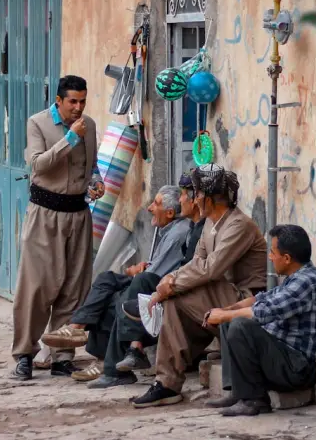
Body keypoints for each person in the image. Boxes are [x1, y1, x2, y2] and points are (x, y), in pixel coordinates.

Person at [128, 164, 267, 408]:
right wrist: (168, 281)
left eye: (196, 194)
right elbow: (196, 263)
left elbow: (212, 268)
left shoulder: (238, 225)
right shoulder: (210, 224)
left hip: (247, 297)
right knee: (173, 299)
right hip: (222, 295)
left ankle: (169, 381)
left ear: (209, 198)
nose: (191, 199)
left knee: (177, 294)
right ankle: (167, 384)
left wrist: (171, 286)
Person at [40, 181, 197, 382]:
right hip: (154, 281)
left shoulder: (178, 232)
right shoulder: (172, 230)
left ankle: (97, 351)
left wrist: (135, 272)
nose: (149, 208)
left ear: (169, 213)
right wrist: (143, 267)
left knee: (111, 299)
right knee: (106, 280)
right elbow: (160, 265)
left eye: (156, 204)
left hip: (159, 288)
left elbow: (157, 274)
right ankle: (77, 328)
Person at [11, 75, 104, 381]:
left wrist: (95, 183)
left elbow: (90, 167)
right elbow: (38, 165)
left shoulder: (88, 125)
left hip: (78, 215)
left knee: (73, 289)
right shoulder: (38, 124)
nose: (78, 108)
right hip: (44, 215)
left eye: (83, 101)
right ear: (59, 102)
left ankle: (62, 357)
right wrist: (70, 139)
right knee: (36, 287)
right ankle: (24, 354)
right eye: (73, 102)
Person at [85, 175, 207, 389]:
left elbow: (191, 271)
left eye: (185, 196)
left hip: (177, 290)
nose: (181, 201)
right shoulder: (185, 228)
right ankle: (86, 333)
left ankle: (123, 356)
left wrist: (142, 274)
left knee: (126, 293)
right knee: (107, 283)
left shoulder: (184, 231)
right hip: (168, 284)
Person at [202, 224, 316, 416]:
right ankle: (238, 392)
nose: (270, 257)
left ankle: (255, 400)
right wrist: (225, 310)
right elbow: (261, 298)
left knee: (239, 325)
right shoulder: (295, 277)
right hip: (283, 359)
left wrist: (226, 315)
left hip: (296, 369)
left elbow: (264, 312)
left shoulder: (306, 282)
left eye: (272, 252)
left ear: (287, 258)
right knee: (231, 320)